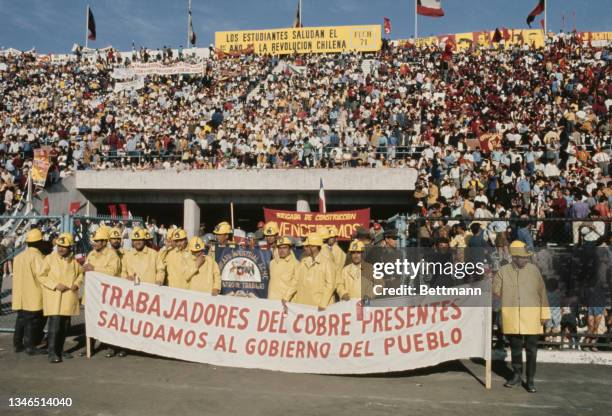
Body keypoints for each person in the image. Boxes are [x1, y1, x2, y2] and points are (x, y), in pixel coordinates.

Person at [493, 240, 550, 393]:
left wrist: (544, 314)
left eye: (526, 257)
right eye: (522, 257)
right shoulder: (503, 271)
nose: (525, 259)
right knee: (516, 349)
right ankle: (516, 376)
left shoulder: (534, 270)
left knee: (532, 349)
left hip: (532, 316)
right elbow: (495, 291)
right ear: (514, 257)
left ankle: (530, 380)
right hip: (512, 317)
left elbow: (542, 293)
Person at [37, 233, 84, 363]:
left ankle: (60, 350)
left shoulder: (73, 261)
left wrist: (76, 284)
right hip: (54, 298)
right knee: (55, 326)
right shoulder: (49, 259)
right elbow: (41, 276)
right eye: (59, 246)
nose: (61, 249)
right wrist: (55, 285)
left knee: (65, 326)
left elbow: (80, 274)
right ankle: (52, 353)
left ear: (70, 247)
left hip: (68, 298)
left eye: (64, 246)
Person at [82, 227, 122, 358]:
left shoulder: (112, 255)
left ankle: (111, 347)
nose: (95, 243)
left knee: (108, 321)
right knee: (91, 320)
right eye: (94, 241)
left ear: (105, 242)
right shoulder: (91, 254)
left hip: (106, 294)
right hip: (93, 293)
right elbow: (86, 269)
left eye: (98, 241)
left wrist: (94, 268)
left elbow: (113, 272)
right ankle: (90, 346)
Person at [12, 228, 46, 355]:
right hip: (33, 294)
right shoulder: (38, 257)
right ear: (39, 242)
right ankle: (30, 346)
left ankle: (17, 344)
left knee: (21, 319)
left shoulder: (18, 257)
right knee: (32, 321)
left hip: (20, 295)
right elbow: (42, 275)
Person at [287, 233, 335, 311]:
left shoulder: (327, 263)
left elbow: (330, 285)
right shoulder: (303, 262)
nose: (304, 248)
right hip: (302, 306)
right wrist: (286, 296)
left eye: (307, 246)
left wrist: (323, 304)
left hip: (318, 307)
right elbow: (295, 281)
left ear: (314, 247)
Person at [267, 236, 299, 301]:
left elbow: (296, 283)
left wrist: (286, 298)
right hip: (271, 300)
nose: (281, 250)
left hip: (286, 301)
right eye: (279, 248)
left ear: (290, 249)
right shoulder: (272, 263)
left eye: (284, 248)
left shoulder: (296, 263)